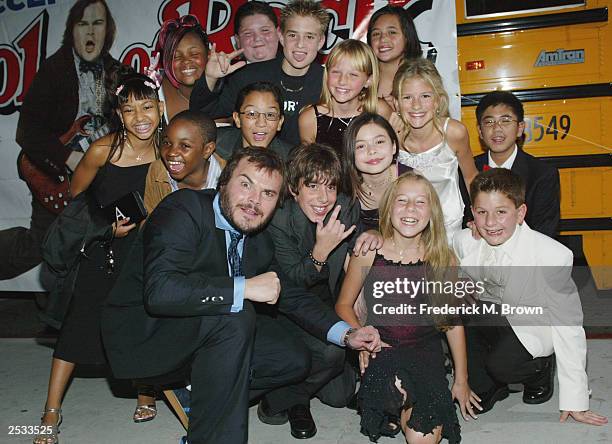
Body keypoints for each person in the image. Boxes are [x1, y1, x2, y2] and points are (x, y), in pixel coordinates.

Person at [101, 148, 384, 444]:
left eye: (268, 194)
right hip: (144, 335)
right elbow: (161, 291)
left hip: (203, 331)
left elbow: (291, 295)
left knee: (292, 357)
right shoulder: (183, 209)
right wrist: (244, 287)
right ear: (223, 182)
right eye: (246, 184)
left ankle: (200, 392)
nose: (254, 201)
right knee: (237, 316)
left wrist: (347, 334)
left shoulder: (258, 238)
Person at [33, 72, 165, 444]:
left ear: (159, 108)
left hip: (147, 255)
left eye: (148, 106)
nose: (141, 116)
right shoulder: (101, 150)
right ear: (119, 115)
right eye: (130, 108)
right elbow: (77, 203)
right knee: (77, 329)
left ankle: (145, 392)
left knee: (145, 324)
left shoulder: (168, 150)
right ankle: (50, 411)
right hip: (103, 252)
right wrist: (108, 226)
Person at [453, 168, 608, 426]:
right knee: (458, 304)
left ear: (521, 213)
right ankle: (489, 385)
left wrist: (575, 399)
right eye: (482, 212)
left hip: (531, 323)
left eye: (501, 212)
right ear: (472, 213)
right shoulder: (464, 241)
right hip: (490, 316)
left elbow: (568, 326)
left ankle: (540, 371)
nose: (490, 223)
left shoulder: (550, 256)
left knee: (503, 364)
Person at [335, 171, 479, 444]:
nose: (410, 209)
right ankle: (391, 406)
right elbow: (343, 305)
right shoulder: (369, 251)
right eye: (402, 201)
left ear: (432, 212)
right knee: (393, 389)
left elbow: (452, 322)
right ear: (388, 208)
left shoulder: (442, 258)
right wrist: (361, 335)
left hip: (425, 354)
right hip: (382, 348)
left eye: (420, 202)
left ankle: (404, 412)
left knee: (422, 438)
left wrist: (461, 379)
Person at [0, 0, 121, 280]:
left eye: (98, 23)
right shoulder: (54, 69)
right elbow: (27, 131)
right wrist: (70, 157)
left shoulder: (116, 71)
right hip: (57, 174)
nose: (90, 32)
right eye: (83, 23)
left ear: (108, 31)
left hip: (102, 177)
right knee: (43, 244)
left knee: (100, 242)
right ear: (72, 30)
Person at [262, 144, 359, 438]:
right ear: (294, 188)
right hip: (285, 311)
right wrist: (320, 252)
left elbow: (360, 242)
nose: (323, 198)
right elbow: (290, 286)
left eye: (330, 186)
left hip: (327, 305)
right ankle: (286, 400)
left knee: (340, 396)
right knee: (331, 353)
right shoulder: (278, 219)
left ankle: (295, 391)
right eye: (312, 186)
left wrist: (372, 237)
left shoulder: (343, 207)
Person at [190, 0, 329, 146]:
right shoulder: (249, 76)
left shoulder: (329, 83)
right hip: (253, 164)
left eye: (309, 37)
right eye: (293, 35)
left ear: (320, 41)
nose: (300, 44)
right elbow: (201, 116)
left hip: (305, 167)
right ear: (281, 36)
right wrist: (210, 77)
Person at [393, 58, 477, 242]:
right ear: (396, 103)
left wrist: (480, 218)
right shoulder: (390, 137)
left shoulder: (455, 133)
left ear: (438, 101)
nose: (416, 105)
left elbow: (471, 177)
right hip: (404, 228)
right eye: (407, 97)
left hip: (448, 230)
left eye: (425, 96)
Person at [473, 91, 560, 238]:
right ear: (480, 131)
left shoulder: (543, 174)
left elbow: (545, 230)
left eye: (505, 121)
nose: (497, 128)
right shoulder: (468, 169)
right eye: (489, 122)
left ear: (520, 128)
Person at [298, 39, 392, 154]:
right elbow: (309, 167)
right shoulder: (310, 119)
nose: (342, 81)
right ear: (327, 74)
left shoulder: (379, 110)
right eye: (336, 72)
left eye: (353, 75)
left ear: (368, 80)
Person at [144, 110, 224, 214]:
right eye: (167, 143)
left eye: (185, 146)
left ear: (207, 150)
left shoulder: (230, 179)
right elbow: (150, 222)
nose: (172, 153)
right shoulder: (158, 170)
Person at [342, 113, 410, 232]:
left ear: (393, 146)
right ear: (350, 154)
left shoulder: (412, 179)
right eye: (361, 146)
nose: (372, 151)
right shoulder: (345, 191)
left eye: (379, 142)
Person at [215, 82, 293, 162]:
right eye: (252, 114)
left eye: (270, 114)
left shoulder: (291, 160)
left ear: (280, 122)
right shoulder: (215, 146)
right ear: (237, 118)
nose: (261, 123)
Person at [153, 14, 208, 121]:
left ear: (208, 54)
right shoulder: (154, 93)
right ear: (166, 62)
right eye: (176, 56)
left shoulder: (230, 88)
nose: (186, 61)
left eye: (194, 54)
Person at [367, 5, 422, 110]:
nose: (383, 39)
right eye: (376, 34)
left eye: (392, 32)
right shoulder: (360, 79)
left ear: (407, 37)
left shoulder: (424, 77)